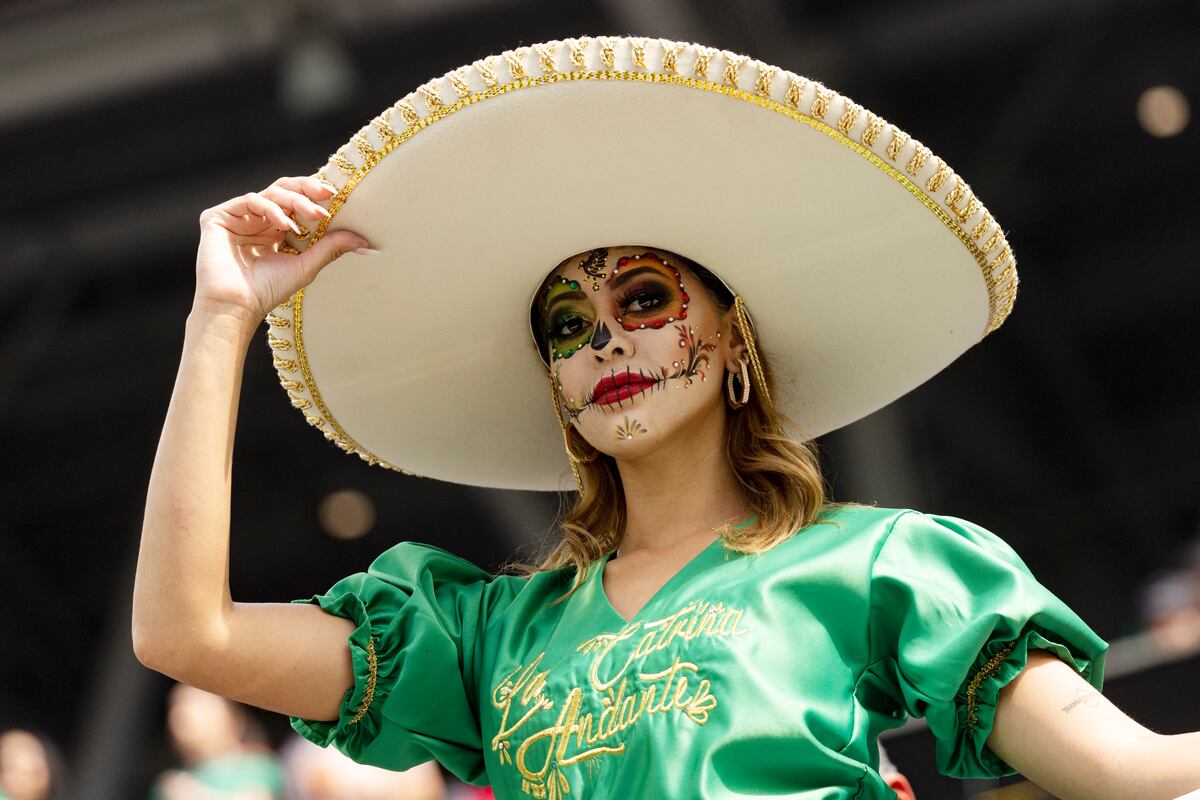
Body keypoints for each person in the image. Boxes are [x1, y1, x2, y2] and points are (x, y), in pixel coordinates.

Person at [132, 36, 1200, 799]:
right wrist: (220, 317)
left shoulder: (884, 566)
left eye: (643, 300)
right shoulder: (482, 635)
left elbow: (1137, 772)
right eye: (567, 326)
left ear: (732, 338)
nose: (604, 341)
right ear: (556, 385)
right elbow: (185, 633)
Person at [149, 684, 285, 800]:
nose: (182, 714)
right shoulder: (170, 784)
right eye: (177, 705)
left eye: (201, 707)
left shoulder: (257, 767)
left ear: (233, 717)